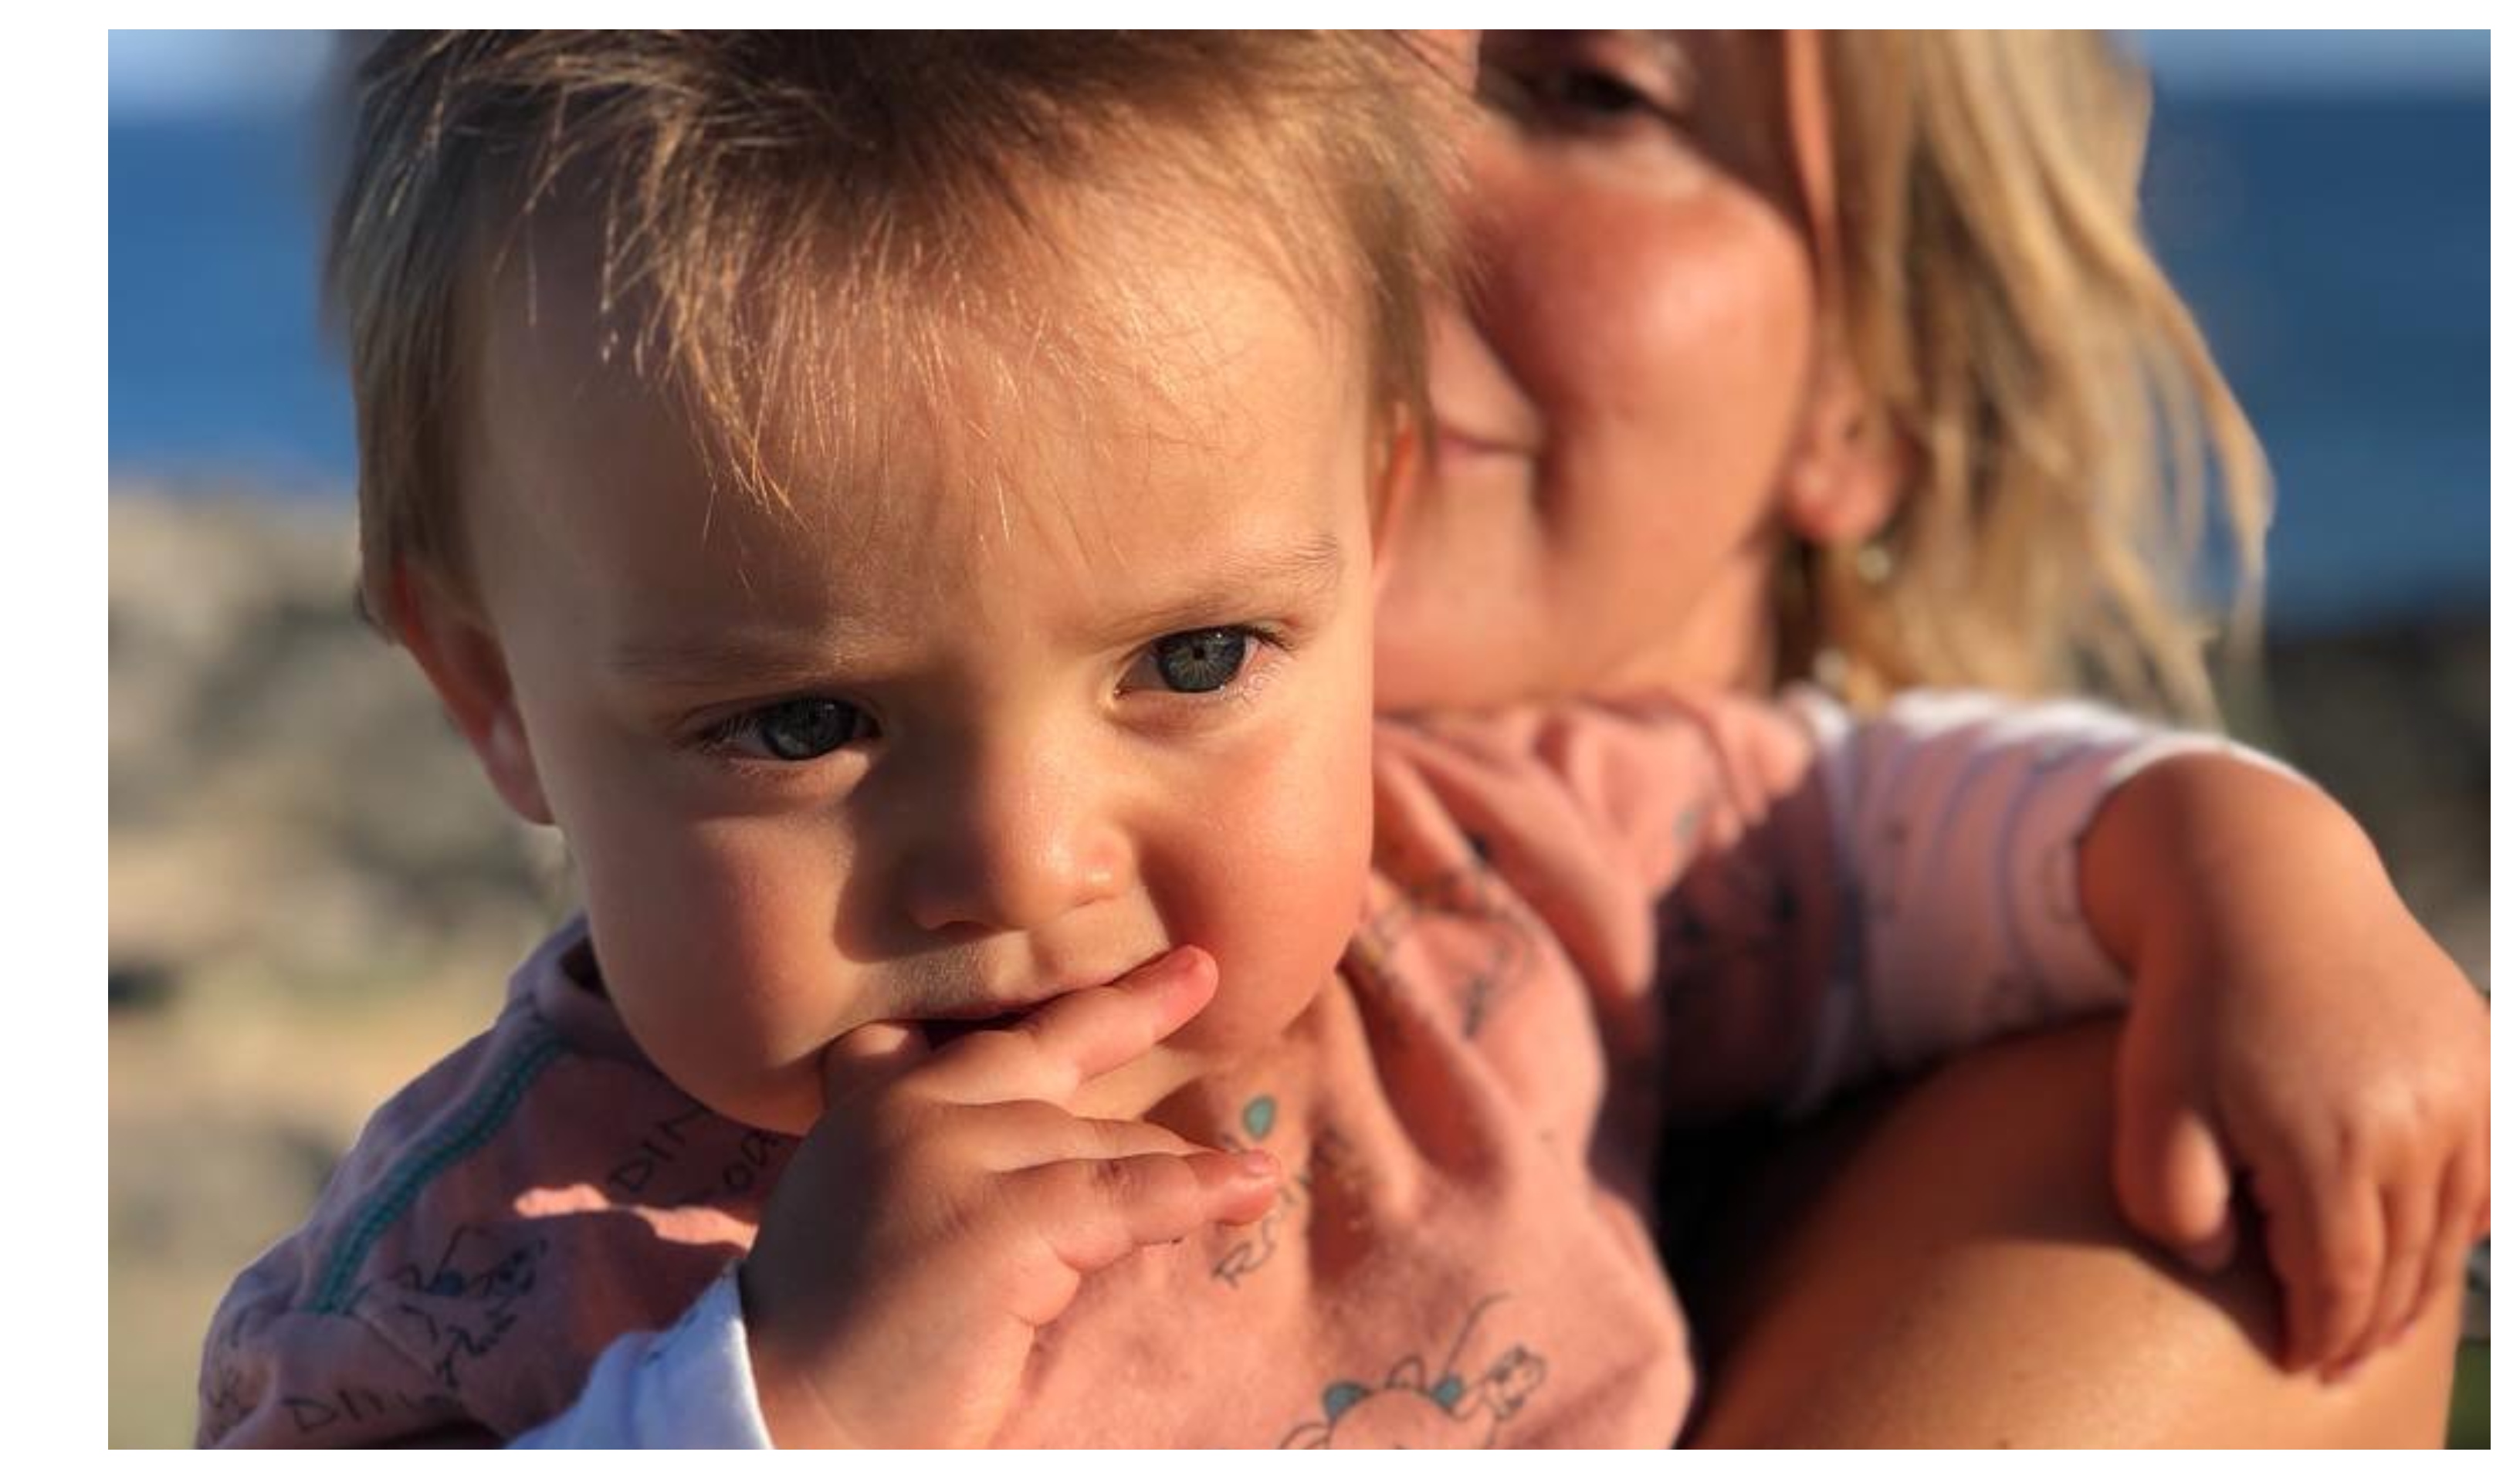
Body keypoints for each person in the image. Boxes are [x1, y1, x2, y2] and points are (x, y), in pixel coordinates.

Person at [195, 32, 2483, 1448]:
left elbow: (1879, 828)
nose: (1028, 854)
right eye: (803, 717)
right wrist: (775, 1406)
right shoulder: (496, 1264)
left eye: (1191, 655)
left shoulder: (1484, 890)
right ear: (489, 692)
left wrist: (2247, 867)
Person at [1371, 29, 2489, 1443]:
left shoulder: (2125, 1186)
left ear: (1873, 384)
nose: (1355, 163)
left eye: (1592, 91)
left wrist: (2261, 872)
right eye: (1284, 47)